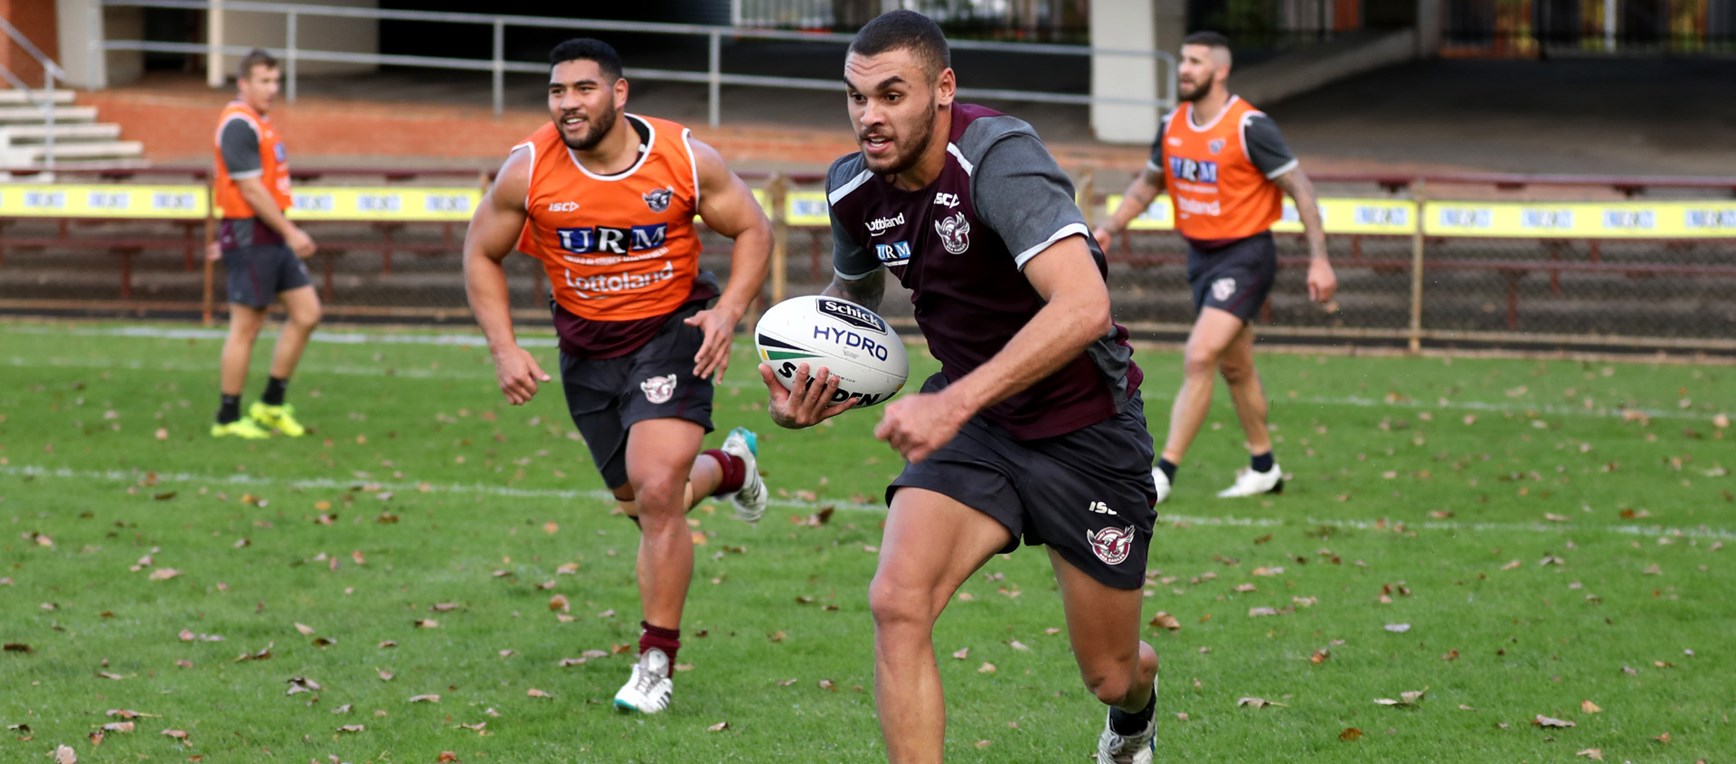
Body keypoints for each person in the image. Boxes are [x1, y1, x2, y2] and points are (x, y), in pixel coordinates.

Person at [761, 11, 1160, 763]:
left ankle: (1135, 719)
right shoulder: (853, 188)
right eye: (856, 98)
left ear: (943, 89)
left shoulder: (999, 158)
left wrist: (952, 400)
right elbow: (852, 305)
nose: (869, 118)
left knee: (1110, 674)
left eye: (891, 95)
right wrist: (807, 382)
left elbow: (1084, 306)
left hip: (1085, 428)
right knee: (896, 602)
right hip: (975, 428)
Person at [462, 38, 773, 716]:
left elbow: (752, 227)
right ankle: (730, 469)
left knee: (660, 491)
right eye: (557, 92)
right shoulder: (528, 169)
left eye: (583, 89)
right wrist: (504, 349)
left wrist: (728, 312)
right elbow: (480, 252)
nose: (569, 104)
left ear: (619, 93)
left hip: (672, 333)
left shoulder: (684, 158)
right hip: (586, 352)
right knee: (642, 502)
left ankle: (655, 663)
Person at [1093, 31, 1337, 503]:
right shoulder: (1172, 124)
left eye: (1195, 61)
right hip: (1200, 258)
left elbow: (1301, 189)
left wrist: (1320, 259)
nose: (1184, 68)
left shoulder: (1249, 126)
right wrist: (1109, 227)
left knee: (1201, 354)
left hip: (1246, 255)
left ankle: (1162, 472)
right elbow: (1149, 183)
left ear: (1220, 71)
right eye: (1182, 60)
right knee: (1236, 367)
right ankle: (1264, 465)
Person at [210, 48, 320, 439]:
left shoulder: (260, 122)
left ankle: (271, 404)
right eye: (264, 81)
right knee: (247, 325)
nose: (272, 88)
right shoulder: (239, 124)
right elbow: (251, 190)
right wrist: (291, 232)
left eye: (276, 81)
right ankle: (228, 417)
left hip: (268, 232)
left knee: (307, 313)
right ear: (243, 83)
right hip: (250, 232)